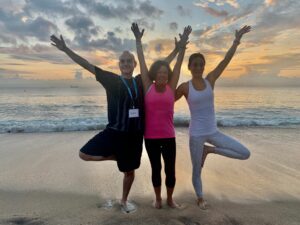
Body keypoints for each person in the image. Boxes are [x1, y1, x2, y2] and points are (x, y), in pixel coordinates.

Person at [50, 30, 182, 213]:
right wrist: (66, 50)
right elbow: (87, 65)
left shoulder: (140, 81)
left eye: (129, 61)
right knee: (84, 154)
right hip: (114, 132)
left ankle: (124, 200)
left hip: (135, 136)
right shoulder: (111, 80)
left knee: (129, 172)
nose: (126, 63)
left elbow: (161, 66)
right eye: (123, 61)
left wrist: (177, 50)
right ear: (119, 65)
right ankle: (116, 156)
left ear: (135, 64)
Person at [175, 25, 252, 209]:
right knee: (196, 170)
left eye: (201, 64)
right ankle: (200, 197)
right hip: (196, 135)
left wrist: (236, 40)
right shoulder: (185, 86)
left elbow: (226, 60)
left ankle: (209, 151)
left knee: (244, 153)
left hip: (213, 132)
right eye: (195, 65)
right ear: (189, 67)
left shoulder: (210, 80)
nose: (199, 67)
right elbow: (166, 100)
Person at [131, 23, 192, 209]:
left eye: (166, 72)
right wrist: (138, 40)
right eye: (160, 72)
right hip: (150, 137)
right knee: (156, 169)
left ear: (168, 75)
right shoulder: (148, 86)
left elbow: (179, 64)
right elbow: (141, 61)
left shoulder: (170, 88)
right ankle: (158, 199)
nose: (163, 74)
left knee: (170, 170)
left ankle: (170, 199)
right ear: (154, 74)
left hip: (168, 136)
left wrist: (181, 47)